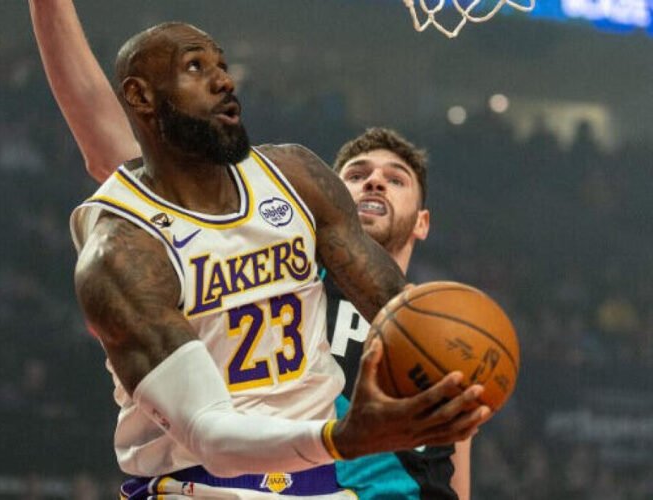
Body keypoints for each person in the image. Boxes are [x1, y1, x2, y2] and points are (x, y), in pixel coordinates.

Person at [30, 2, 490, 498]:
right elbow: (209, 433)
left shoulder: (295, 179)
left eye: (223, 65)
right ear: (141, 96)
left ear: (423, 220)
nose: (224, 80)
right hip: (201, 482)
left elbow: (413, 328)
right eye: (195, 67)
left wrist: (471, 371)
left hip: (318, 482)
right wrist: (341, 437)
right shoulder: (121, 249)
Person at [327, 128, 471, 499]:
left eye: (395, 180)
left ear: (422, 223)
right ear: (325, 204)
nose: (374, 181)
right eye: (356, 175)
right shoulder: (291, 291)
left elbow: (455, 468)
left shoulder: (447, 330)